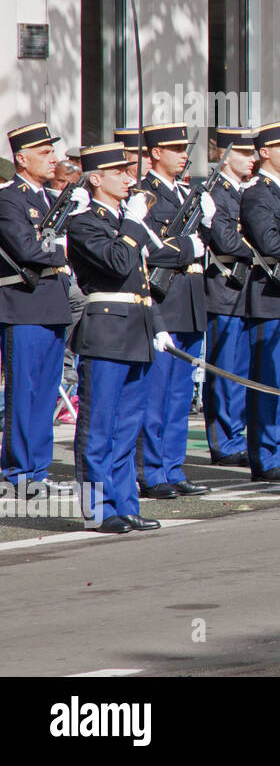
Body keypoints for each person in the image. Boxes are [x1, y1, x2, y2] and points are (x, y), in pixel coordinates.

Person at [66, 143, 162, 533]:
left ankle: (126, 503)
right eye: (119, 172)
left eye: (129, 171)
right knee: (99, 424)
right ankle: (98, 509)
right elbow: (119, 262)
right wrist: (135, 225)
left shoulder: (124, 219)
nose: (129, 178)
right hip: (106, 329)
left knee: (127, 425)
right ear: (96, 178)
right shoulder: (85, 222)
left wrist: (157, 326)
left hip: (136, 326)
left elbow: (140, 282)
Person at [137, 122, 213, 499]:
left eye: (186, 149)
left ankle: (172, 465)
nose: (184, 155)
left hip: (190, 300)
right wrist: (189, 248)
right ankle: (151, 471)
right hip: (163, 300)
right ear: (155, 153)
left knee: (180, 395)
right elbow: (150, 248)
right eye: (175, 149)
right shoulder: (145, 195)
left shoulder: (188, 192)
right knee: (157, 393)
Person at [0, 122, 75, 497]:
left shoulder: (51, 199)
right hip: (24, 308)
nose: (54, 159)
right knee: (24, 393)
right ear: (21, 158)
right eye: (45, 152)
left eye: (52, 151)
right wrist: (68, 250)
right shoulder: (10, 199)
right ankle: (18, 474)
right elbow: (28, 249)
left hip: (53, 304)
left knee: (46, 394)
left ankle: (38, 470)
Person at [242, 121, 280, 483]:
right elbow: (270, 242)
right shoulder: (258, 193)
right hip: (271, 296)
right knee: (271, 381)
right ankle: (266, 457)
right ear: (265, 151)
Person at [202, 127, 256, 466]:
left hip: (248, 290)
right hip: (226, 290)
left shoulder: (245, 192)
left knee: (245, 371)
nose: (252, 160)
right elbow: (227, 241)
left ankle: (239, 434)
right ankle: (225, 441)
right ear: (224, 155)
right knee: (227, 370)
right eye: (245, 154)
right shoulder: (215, 193)